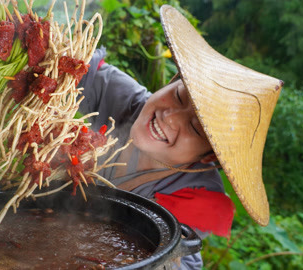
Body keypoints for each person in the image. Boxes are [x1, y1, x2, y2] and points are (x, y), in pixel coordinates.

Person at [77, 5, 283, 269]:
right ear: (172, 80)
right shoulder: (121, 96)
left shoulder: (198, 195)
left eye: (195, 128)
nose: (169, 116)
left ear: (209, 156)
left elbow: (179, 260)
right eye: (177, 96)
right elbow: (69, 66)